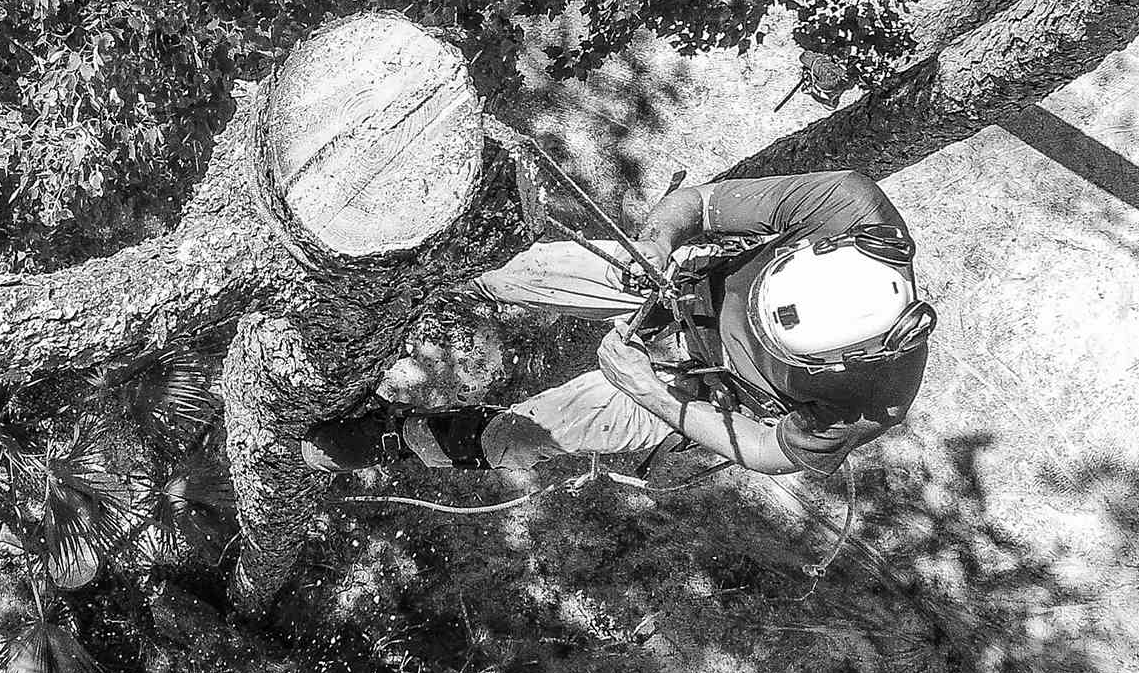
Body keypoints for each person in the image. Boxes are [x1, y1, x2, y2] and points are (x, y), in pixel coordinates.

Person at [300, 170, 935, 477]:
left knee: (520, 439)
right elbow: (699, 206)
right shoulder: (851, 211)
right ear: (810, 255)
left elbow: (771, 451)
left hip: (699, 391)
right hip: (676, 285)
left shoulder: (869, 402)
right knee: (514, 269)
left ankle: (397, 439)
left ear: (839, 360)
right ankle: (403, 280)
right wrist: (657, 246)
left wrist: (653, 393)